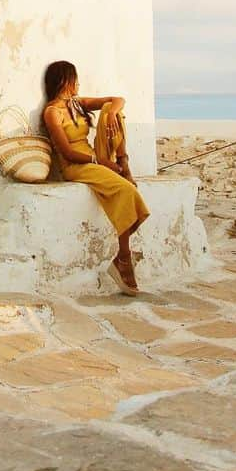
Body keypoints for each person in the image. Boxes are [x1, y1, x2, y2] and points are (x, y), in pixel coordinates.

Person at [41, 60, 149, 295]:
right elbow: (68, 152)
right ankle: (123, 257)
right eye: (75, 79)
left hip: (95, 156)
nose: (78, 83)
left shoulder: (78, 104)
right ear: (64, 81)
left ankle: (124, 163)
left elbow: (119, 99)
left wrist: (109, 111)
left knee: (116, 113)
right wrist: (101, 163)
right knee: (125, 190)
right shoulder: (52, 112)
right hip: (77, 165)